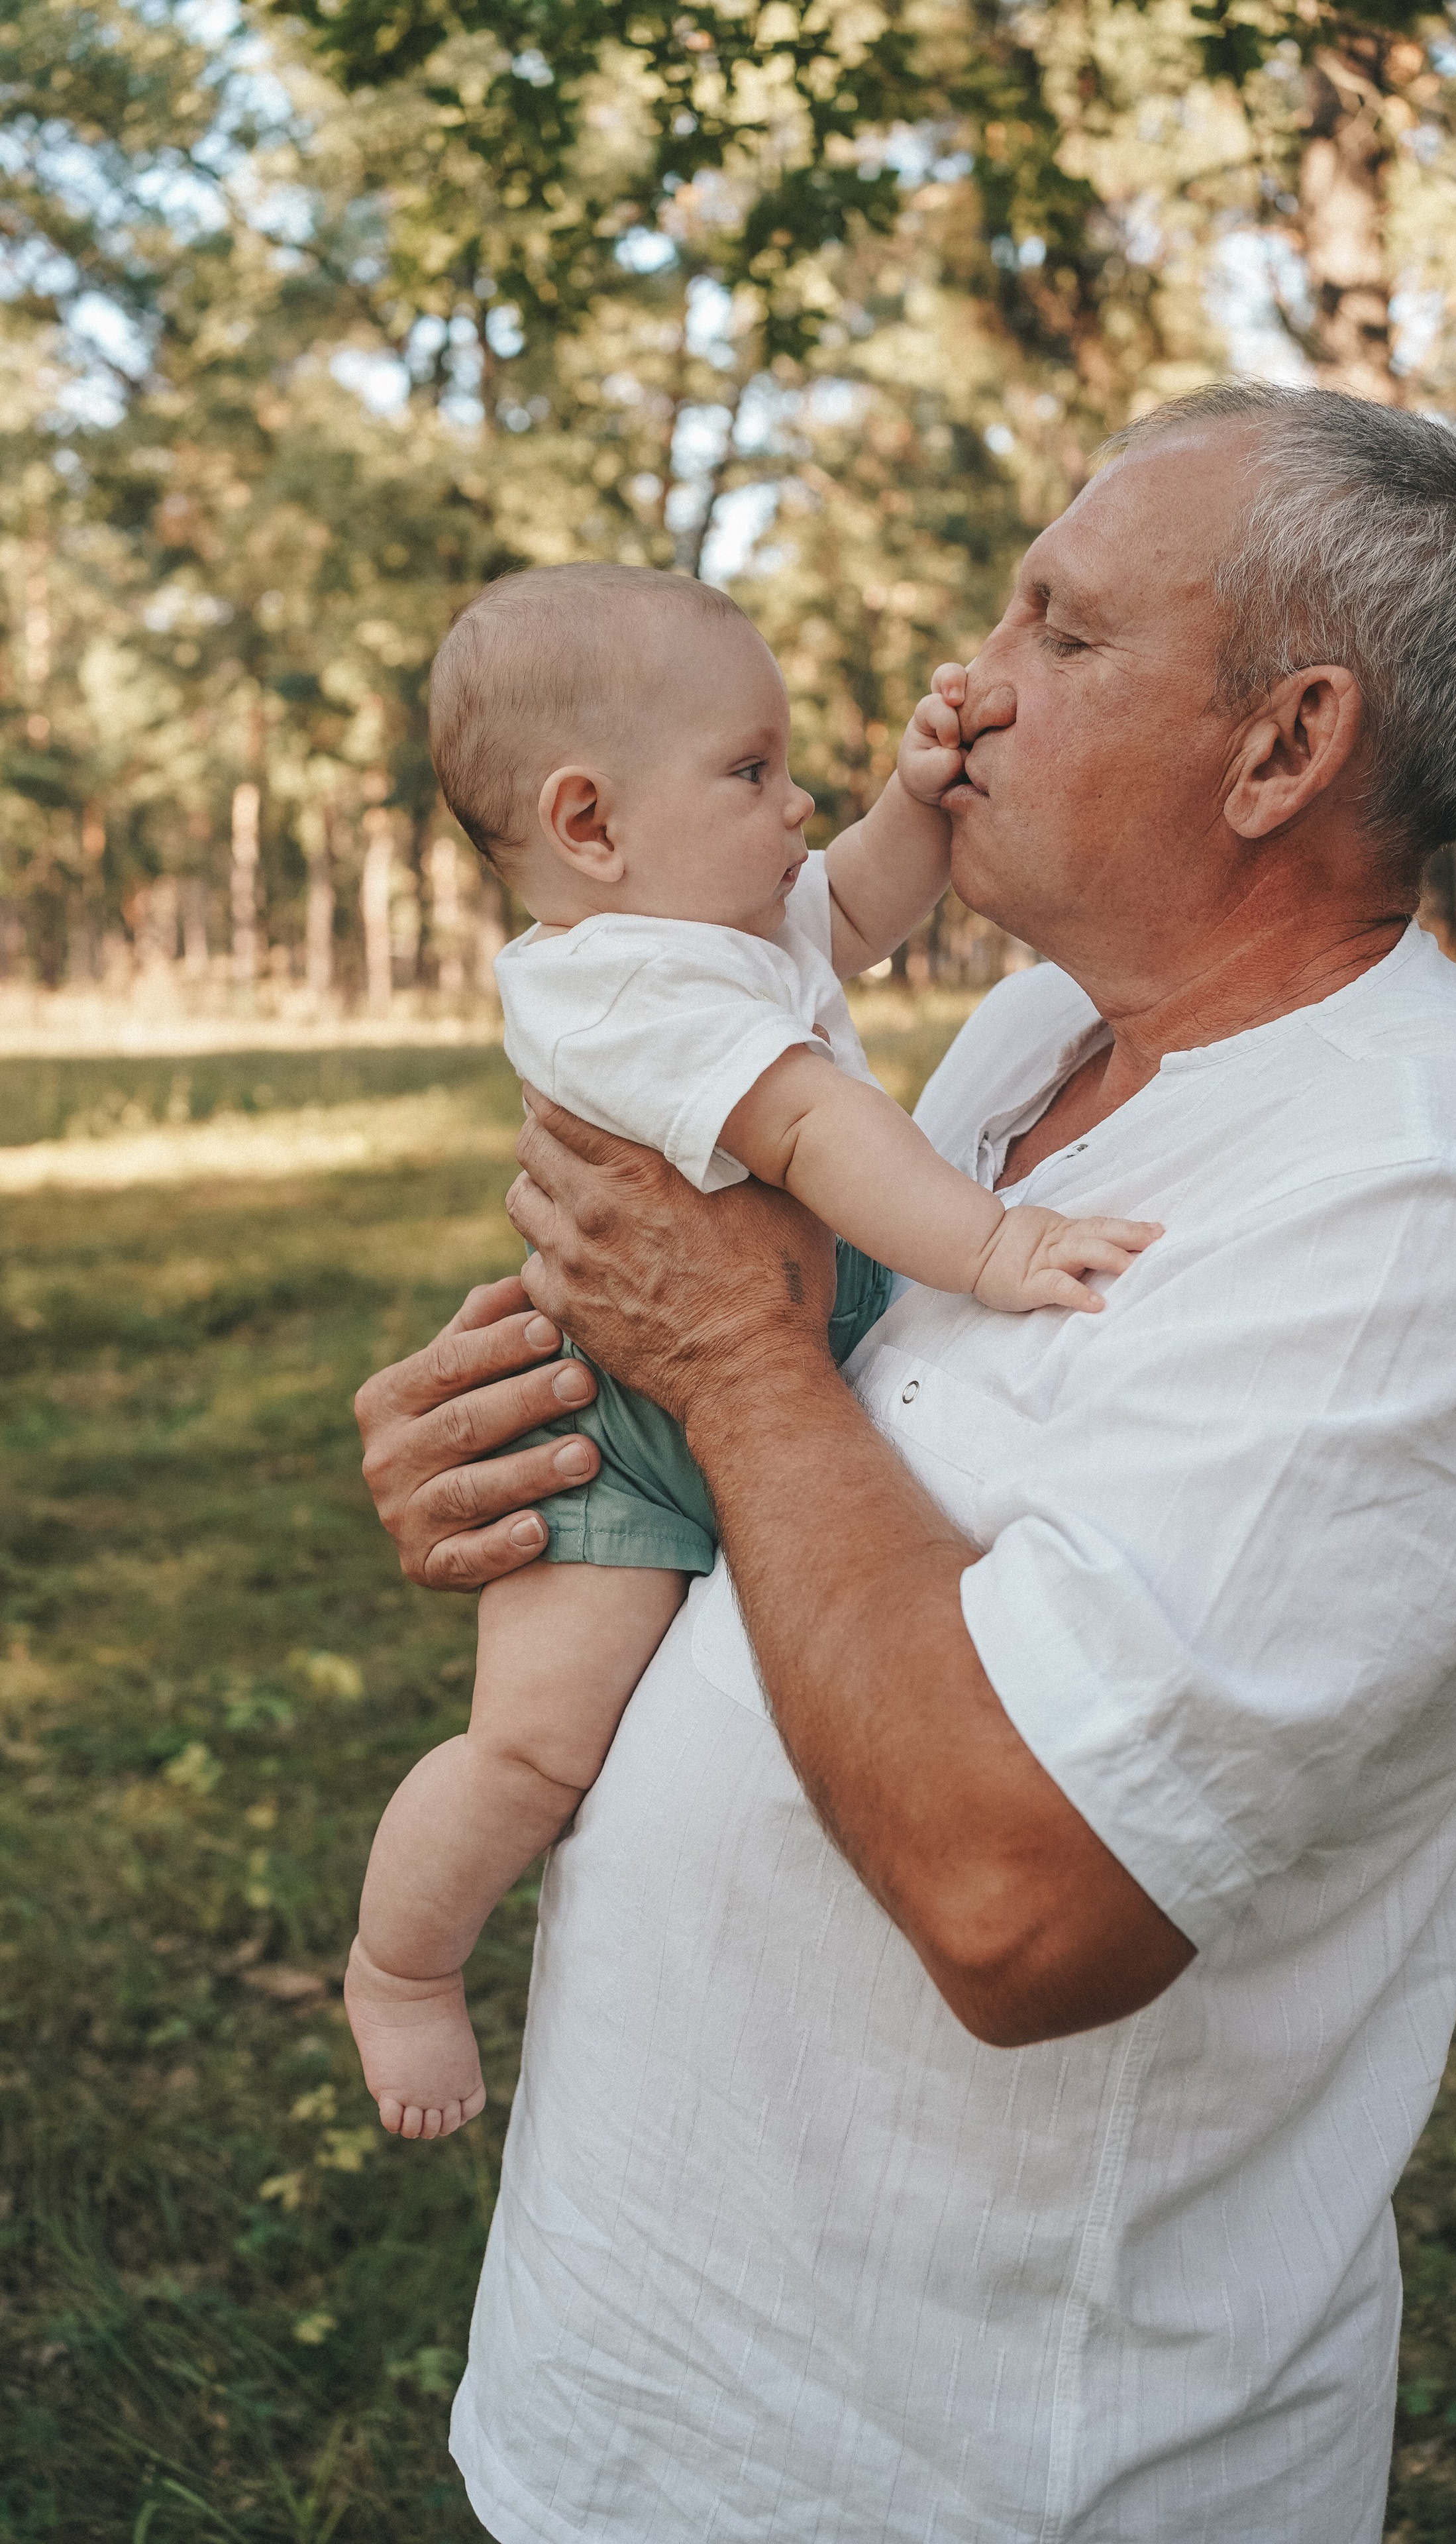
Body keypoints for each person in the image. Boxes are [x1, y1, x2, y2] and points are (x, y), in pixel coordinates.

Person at [354, 382, 1456, 2542]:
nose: (973, 684)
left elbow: (1025, 1904)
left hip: (959, 2460)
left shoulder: (1424, 1208)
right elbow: (831, 1477)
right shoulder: (1048, 1031)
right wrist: (540, 1459)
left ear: (1282, 747)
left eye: (1058, 630)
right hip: (646, 2376)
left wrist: (731, 1365)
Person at [343, 565, 1153, 2141]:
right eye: (750, 771)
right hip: (624, 1423)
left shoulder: (706, 916)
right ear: (589, 825)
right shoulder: (613, 988)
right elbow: (811, 1123)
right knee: (534, 1744)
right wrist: (988, 1246)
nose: (796, 807)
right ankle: (401, 1964)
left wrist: (916, 801)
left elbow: (852, 903)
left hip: (749, 1352)